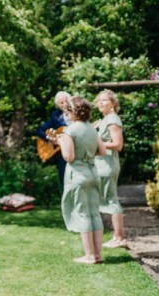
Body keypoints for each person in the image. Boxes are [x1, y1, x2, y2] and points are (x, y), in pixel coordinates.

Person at [54, 96, 106, 264]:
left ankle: (89, 256)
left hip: (77, 174)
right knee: (94, 214)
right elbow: (103, 151)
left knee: (82, 214)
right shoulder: (92, 129)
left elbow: (68, 156)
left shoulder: (69, 131)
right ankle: (98, 255)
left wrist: (61, 142)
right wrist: (88, 155)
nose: (66, 114)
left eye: (67, 111)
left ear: (72, 112)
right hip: (93, 172)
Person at [93, 89, 126, 248]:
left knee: (112, 200)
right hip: (101, 165)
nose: (100, 102)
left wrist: (95, 143)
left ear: (113, 103)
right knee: (109, 199)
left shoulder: (113, 119)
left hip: (108, 165)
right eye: (98, 100)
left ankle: (119, 238)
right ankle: (117, 236)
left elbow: (118, 145)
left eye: (104, 100)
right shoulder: (105, 119)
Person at [36, 91, 71, 191]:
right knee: (63, 176)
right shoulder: (55, 115)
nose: (64, 104)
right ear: (57, 105)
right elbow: (40, 130)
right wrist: (51, 139)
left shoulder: (77, 112)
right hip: (61, 152)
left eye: (66, 101)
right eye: (61, 102)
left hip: (75, 149)